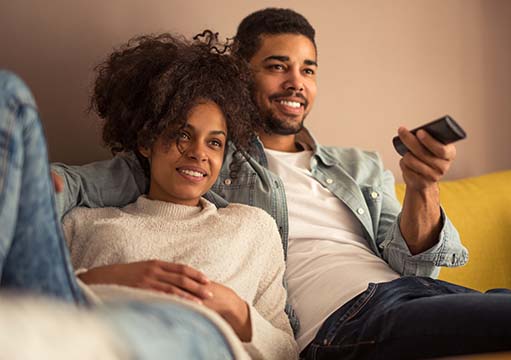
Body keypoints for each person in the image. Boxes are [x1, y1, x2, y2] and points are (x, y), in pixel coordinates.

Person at [51, 8, 511, 360]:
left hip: (408, 299)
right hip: (344, 326)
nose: (295, 81)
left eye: (307, 68)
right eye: (277, 65)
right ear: (241, 70)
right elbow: (71, 188)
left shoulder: (357, 166)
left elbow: (416, 265)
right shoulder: (207, 155)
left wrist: (422, 187)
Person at [0, 32, 297, 360]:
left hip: (191, 331)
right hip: (79, 316)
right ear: (146, 143)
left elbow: (287, 350)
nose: (199, 153)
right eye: (183, 135)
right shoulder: (84, 222)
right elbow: (50, 295)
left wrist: (236, 311)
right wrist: (110, 278)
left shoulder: (252, 227)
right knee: (7, 93)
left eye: (214, 142)